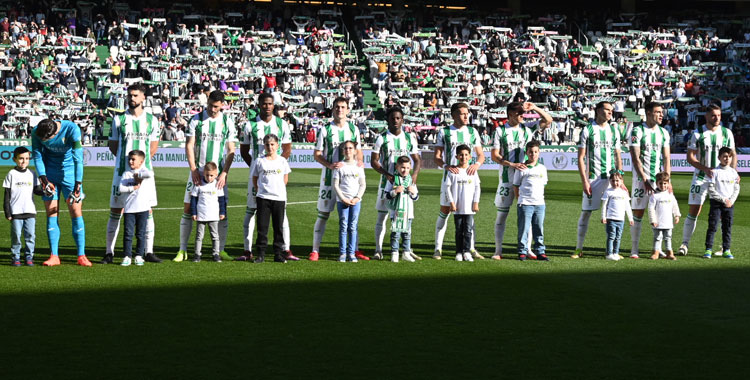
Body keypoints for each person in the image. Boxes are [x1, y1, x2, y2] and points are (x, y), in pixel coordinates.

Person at [102, 83, 162, 264]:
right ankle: (109, 252)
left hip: (145, 175)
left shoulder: (152, 120)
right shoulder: (119, 119)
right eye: (130, 95)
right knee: (116, 210)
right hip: (122, 173)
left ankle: (148, 251)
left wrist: (140, 169)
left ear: (143, 97)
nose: (132, 98)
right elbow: (113, 146)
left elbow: (152, 148)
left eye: (135, 95)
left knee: (148, 210)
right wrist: (126, 163)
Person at [175, 90, 236, 262]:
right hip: (198, 172)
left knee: (222, 209)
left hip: (218, 175)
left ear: (223, 105)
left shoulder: (227, 121)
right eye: (210, 105)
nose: (213, 109)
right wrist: (194, 169)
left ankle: (221, 249)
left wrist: (224, 173)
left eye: (216, 106)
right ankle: (182, 250)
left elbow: (231, 150)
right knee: (188, 208)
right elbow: (189, 145)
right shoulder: (196, 119)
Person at [236, 92, 297, 262]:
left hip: (275, 178)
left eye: (270, 104)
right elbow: (244, 151)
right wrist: (257, 169)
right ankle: (248, 251)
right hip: (258, 176)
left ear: (273, 105)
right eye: (264, 104)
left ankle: (286, 250)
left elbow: (287, 149)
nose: (267, 106)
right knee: (251, 211)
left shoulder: (282, 124)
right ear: (259, 104)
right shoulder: (250, 125)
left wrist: (277, 165)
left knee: (281, 215)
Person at [490, 101, 552, 260]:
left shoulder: (527, 128)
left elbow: (548, 120)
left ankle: (528, 249)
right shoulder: (500, 131)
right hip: (506, 178)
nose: (522, 116)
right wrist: (510, 164)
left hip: (525, 179)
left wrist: (535, 108)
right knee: (502, 215)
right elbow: (495, 155)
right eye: (519, 114)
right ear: (510, 114)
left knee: (528, 215)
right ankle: (498, 250)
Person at [31, 118, 91, 267]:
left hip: (70, 173)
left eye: (47, 140)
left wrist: (78, 184)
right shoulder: (36, 132)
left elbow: (78, 159)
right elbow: (37, 156)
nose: (44, 141)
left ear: (55, 132)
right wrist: (44, 180)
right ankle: (54, 256)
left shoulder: (72, 129)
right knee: (52, 212)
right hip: (50, 173)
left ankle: (81, 255)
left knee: (76, 212)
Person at [310, 97, 363, 261]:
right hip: (328, 179)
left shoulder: (354, 129)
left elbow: (359, 151)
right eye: (337, 107)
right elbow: (317, 154)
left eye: (343, 107)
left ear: (348, 110)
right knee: (323, 214)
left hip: (350, 182)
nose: (340, 110)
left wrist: (360, 163)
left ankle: (355, 250)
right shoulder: (325, 129)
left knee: (353, 216)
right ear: (333, 109)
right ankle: (315, 250)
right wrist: (329, 165)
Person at [679, 104, 736, 255]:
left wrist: (733, 173)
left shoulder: (726, 133)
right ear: (706, 116)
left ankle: (723, 246)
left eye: (719, 115)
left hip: (722, 179)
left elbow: (733, 154)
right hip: (701, 177)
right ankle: (684, 244)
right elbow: (690, 157)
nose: (717, 118)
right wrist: (705, 168)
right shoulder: (698, 134)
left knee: (725, 212)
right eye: (713, 115)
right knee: (694, 210)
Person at [433, 103, 485, 260]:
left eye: (467, 113)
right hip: (450, 179)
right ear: (454, 115)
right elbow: (436, 157)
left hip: (467, 179)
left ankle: (471, 248)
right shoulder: (444, 132)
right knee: (445, 211)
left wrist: (476, 164)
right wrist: (446, 166)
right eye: (462, 113)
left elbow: (481, 155)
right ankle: (438, 248)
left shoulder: (472, 131)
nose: (466, 116)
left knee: (469, 214)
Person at [571, 101, 622, 259]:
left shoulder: (614, 130)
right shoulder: (587, 129)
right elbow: (580, 158)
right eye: (607, 110)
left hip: (611, 180)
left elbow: (617, 155)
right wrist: (584, 181)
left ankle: (613, 251)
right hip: (593, 178)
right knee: (586, 212)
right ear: (598, 110)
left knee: (616, 214)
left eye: (611, 111)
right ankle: (578, 248)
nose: (610, 113)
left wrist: (620, 178)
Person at [370, 107, 421, 260]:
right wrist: (387, 175)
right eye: (392, 118)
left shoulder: (409, 138)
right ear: (388, 120)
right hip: (387, 183)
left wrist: (415, 176)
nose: (395, 121)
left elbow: (417, 160)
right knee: (382, 216)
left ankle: (405, 249)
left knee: (406, 215)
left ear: (402, 120)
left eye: (398, 118)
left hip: (406, 184)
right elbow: (374, 161)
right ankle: (378, 250)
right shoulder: (381, 138)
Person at [628, 102, 671, 259]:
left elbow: (666, 158)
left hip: (658, 181)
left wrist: (668, 180)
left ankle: (657, 248)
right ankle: (634, 248)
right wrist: (644, 178)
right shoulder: (637, 131)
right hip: (641, 179)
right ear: (648, 113)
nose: (661, 115)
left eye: (662, 112)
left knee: (660, 215)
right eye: (657, 112)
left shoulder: (664, 133)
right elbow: (635, 156)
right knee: (638, 213)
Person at [250, 134, 291, 263]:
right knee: (262, 227)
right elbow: (255, 178)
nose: (270, 147)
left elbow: (285, 179)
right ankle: (261, 254)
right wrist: (260, 191)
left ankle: (278, 254)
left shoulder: (282, 161)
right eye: (267, 144)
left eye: (272, 144)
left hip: (279, 198)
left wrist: (277, 190)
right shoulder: (259, 161)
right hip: (263, 198)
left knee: (278, 227)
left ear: (277, 145)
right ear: (264, 146)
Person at [3, 147, 42, 266]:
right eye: (20, 158)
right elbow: (7, 196)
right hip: (16, 212)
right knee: (16, 236)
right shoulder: (11, 174)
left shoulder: (32, 173)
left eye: (26, 158)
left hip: (30, 210)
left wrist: (45, 191)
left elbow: (36, 190)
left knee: (30, 235)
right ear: (14, 159)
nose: (24, 161)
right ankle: (16, 257)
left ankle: (29, 256)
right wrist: (7, 212)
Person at [443, 144, 481, 262]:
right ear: (457, 156)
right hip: (458, 207)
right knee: (459, 230)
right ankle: (458, 252)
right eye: (461, 155)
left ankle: (467, 251)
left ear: (470, 157)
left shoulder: (472, 171)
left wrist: (476, 203)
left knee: (468, 230)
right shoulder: (453, 171)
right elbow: (447, 188)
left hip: (469, 207)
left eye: (466, 155)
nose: (463, 157)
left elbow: (477, 188)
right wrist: (451, 203)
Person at [513, 140, 549, 261]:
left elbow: (543, 184)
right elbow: (516, 185)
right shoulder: (521, 168)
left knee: (539, 228)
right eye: (531, 152)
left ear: (539, 153)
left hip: (539, 203)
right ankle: (522, 251)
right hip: (525, 203)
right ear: (527, 153)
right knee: (524, 229)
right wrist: (520, 199)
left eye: (535, 152)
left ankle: (540, 251)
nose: (533, 154)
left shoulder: (542, 168)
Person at [117, 150, 155, 266]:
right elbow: (121, 189)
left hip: (142, 209)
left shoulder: (144, 171)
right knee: (128, 234)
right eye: (129, 159)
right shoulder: (126, 174)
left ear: (141, 161)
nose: (130, 161)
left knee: (140, 234)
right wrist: (133, 187)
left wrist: (138, 176)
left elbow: (150, 174)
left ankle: (139, 256)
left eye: (133, 159)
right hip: (129, 209)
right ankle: (127, 256)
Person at [333, 140, 366, 262]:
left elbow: (362, 184)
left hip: (355, 201)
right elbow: (336, 184)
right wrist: (343, 198)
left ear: (355, 151)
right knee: (343, 226)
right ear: (343, 151)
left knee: (353, 226)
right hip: (342, 201)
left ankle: (351, 253)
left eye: (350, 148)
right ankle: (342, 253)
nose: (348, 150)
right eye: (346, 148)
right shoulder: (339, 166)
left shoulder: (358, 167)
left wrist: (357, 198)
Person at [703, 147, 740, 259]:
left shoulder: (734, 173)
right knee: (713, 226)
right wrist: (724, 200)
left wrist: (731, 201)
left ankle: (726, 249)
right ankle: (708, 249)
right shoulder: (714, 172)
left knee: (727, 227)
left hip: (729, 204)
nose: (727, 159)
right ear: (719, 158)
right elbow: (711, 189)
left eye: (729, 157)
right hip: (716, 203)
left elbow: (736, 189)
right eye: (724, 156)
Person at [189, 161, 227, 263]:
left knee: (215, 236)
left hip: (214, 215)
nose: (209, 177)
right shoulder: (198, 184)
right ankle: (197, 254)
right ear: (203, 173)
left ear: (216, 174)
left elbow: (222, 200)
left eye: (211, 175)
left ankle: (215, 254)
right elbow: (193, 200)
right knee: (199, 236)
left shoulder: (217, 185)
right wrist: (193, 213)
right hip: (201, 215)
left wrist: (222, 212)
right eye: (207, 175)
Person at [385, 156, 420, 263]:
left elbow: (416, 198)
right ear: (397, 167)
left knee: (407, 233)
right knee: (396, 233)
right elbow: (387, 196)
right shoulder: (392, 179)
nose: (405, 170)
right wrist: (395, 192)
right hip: (396, 212)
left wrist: (413, 192)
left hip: (408, 212)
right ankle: (394, 253)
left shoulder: (411, 180)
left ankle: (406, 252)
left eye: (408, 168)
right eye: (402, 167)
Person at [600, 170, 634, 261]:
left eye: (617, 180)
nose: (615, 183)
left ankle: (616, 252)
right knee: (611, 236)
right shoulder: (608, 192)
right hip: (611, 218)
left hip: (621, 219)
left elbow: (627, 206)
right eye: (613, 181)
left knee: (618, 237)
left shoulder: (624, 192)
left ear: (622, 181)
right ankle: (609, 253)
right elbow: (604, 206)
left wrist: (630, 218)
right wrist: (603, 217)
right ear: (610, 181)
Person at [648, 172, 681, 260]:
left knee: (668, 237)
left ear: (668, 183)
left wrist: (677, 215)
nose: (663, 185)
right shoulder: (654, 196)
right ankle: (656, 252)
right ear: (657, 183)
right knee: (657, 237)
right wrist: (653, 220)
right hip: (658, 222)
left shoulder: (670, 195)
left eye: (665, 183)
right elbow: (651, 209)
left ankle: (669, 252)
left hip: (668, 222)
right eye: (660, 183)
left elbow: (675, 205)